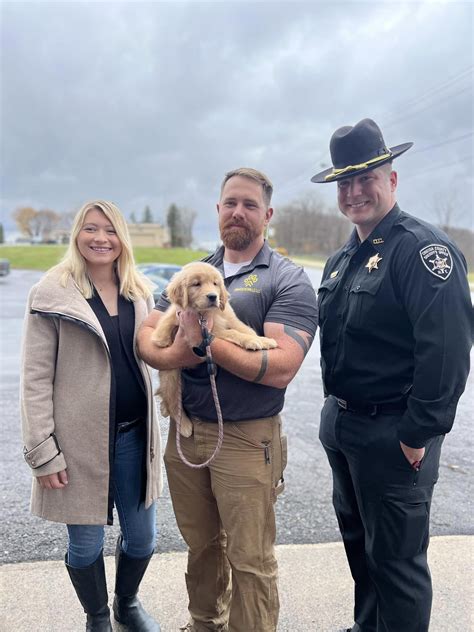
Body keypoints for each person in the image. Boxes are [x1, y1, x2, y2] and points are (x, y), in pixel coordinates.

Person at [137, 167, 318, 632]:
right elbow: (146, 338)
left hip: (246, 439)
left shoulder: (288, 280)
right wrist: (178, 348)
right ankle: (204, 623)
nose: (238, 212)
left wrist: (203, 343)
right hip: (187, 433)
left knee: (249, 556)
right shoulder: (195, 270)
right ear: (218, 211)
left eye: (250, 204)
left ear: (268, 215)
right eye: (230, 203)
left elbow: (281, 366)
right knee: (201, 546)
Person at [311, 118, 472, 632]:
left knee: (398, 562)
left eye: (367, 178)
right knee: (361, 549)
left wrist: (417, 433)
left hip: (394, 434)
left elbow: (446, 353)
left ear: (392, 179)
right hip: (345, 426)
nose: (355, 191)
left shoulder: (423, 251)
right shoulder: (342, 259)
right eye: (345, 182)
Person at [20, 200, 163, 632]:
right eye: (90, 229)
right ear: (77, 236)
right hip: (77, 444)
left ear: (122, 239)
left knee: (143, 538)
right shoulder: (52, 294)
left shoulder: (139, 292)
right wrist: (43, 452)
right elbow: (35, 378)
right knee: (85, 546)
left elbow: (156, 351)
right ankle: (97, 615)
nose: (100, 238)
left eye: (110, 230)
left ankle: (126, 603)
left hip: (136, 437)